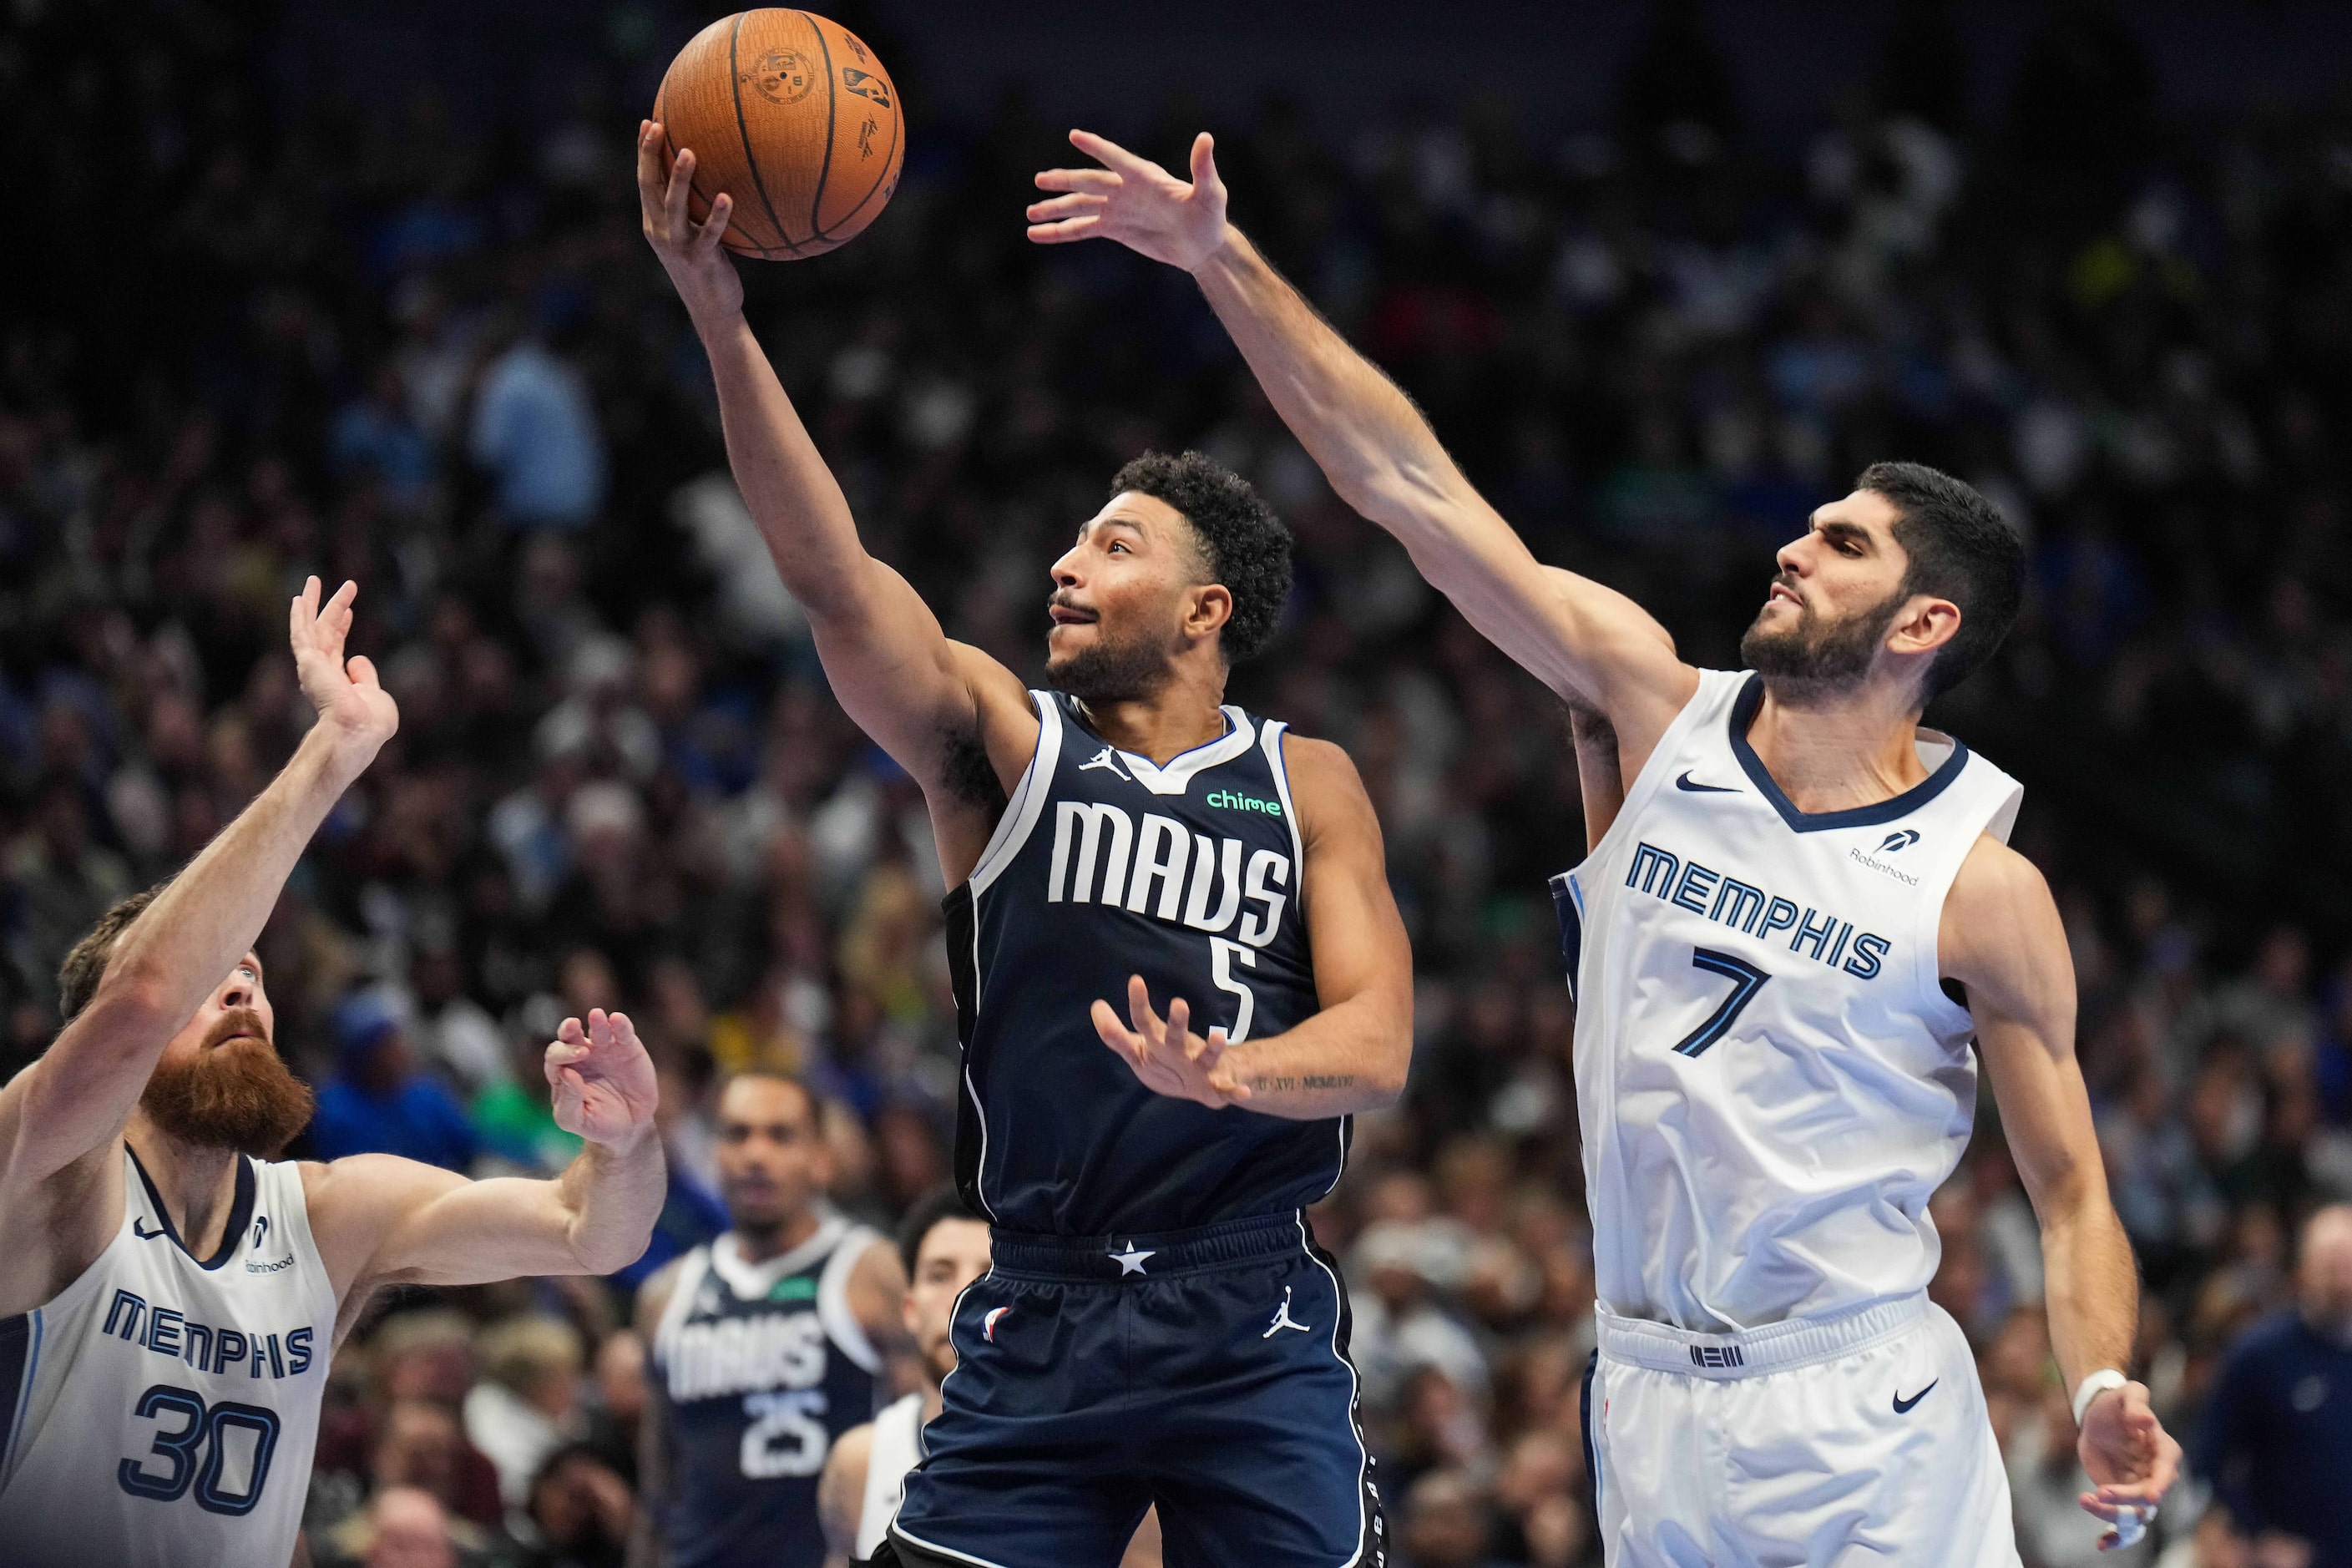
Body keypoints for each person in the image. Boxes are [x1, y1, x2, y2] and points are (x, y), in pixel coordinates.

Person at [1034, 129, 2184, 1560]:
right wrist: (1220, 258)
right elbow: (1407, 482)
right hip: (1641, 1391)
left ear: (1922, 624)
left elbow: (2070, 1189)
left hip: (1858, 1404)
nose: (1793, 548)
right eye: (1808, 527)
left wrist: (2097, 1381)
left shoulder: (1979, 882)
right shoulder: (1647, 710)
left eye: (1842, 544)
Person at [639, 117, 1414, 1568]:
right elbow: (828, 573)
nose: (1066, 562)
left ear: (1206, 612)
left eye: (1115, 545)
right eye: (1070, 541)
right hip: (1041, 1297)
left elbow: (1376, 1047)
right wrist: (720, 320)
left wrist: (1232, 1072)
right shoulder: (1003, 743)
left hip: (1243, 1302)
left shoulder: (1308, 783)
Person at [0, 578, 666, 1568]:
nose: (240, 995)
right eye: (207, 979)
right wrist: (335, 749)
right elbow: (138, 1002)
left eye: (255, 977)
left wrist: (624, 1146)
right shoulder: (43, 1170)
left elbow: (592, 1235)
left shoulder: (323, 1218)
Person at [630, 1072, 907, 1568]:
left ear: (821, 1159)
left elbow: (927, 1437)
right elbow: (659, 1480)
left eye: (780, 1135)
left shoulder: (873, 1272)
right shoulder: (666, 1296)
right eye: (737, 1134)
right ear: (715, 1153)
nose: (756, 1155)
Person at [817, 1186, 992, 1568]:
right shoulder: (860, 1462)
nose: (963, 1294)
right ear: (909, 1309)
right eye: (940, 1274)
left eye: (988, 1274)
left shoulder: (1083, 1457)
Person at [2193, 1203, 2352, 1565]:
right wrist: (2257, 1533)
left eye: (2349, 1264)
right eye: (2331, 1264)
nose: (2342, 1279)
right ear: (2302, 1271)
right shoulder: (2260, 1355)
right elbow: (2208, 1461)